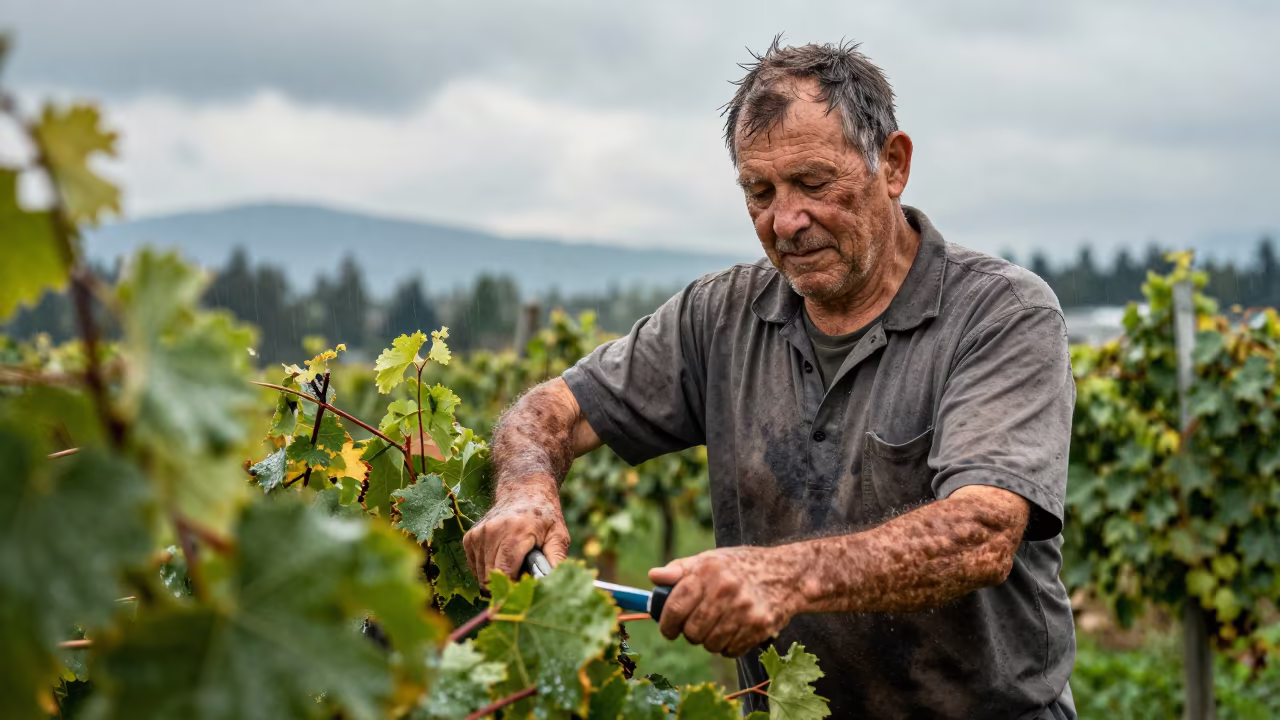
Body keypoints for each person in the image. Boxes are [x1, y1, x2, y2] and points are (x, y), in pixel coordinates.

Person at [462, 39, 1077, 719]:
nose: (785, 221)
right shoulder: (719, 314)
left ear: (893, 165)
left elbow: (982, 532)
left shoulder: (1000, 313)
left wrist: (782, 575)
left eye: (813, 183)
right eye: (760, 193)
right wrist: (524, 489)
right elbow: (556, 409)